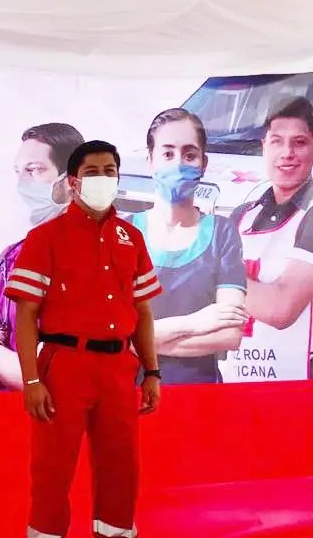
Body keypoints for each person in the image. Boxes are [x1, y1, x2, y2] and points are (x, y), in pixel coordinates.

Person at [4, 140, 173, 538]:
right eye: (93, 170)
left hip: (119, 368)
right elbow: (27, 314)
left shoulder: (130, 238)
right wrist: (32, 379)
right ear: (73, 181)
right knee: (53, 472)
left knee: (122, 469)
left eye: (110, 169)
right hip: (64, 366)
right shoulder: (46, 237)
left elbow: (143, 311)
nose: (103, 177)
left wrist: (152, 370)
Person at [124, 108, 247, 384]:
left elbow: (229, 335)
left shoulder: (222, 233)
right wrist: (194, 323)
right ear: (150, 161)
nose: (178, 163)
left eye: (189, 155)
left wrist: (139, 341)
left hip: (201, 402)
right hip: (129, 399)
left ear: (204, 164)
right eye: (167, 154)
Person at [0, 123, 84, 391]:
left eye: (34, 170)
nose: (22, 183)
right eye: (19, 172)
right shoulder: (8, 263)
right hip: (6, 419)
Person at [223, 96, 313, 381]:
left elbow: (281, 309)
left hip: (295, 392)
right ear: (263, 147)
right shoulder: (241, 215)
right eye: (276, 141)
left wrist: (210, 275)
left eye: (299, 142)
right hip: (233, 383)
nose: (287, 152)